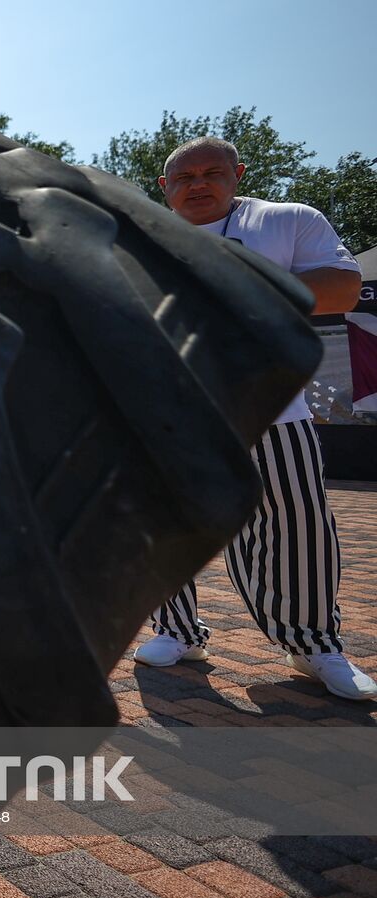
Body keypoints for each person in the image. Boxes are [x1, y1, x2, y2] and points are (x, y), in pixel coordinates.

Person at [134, 136, 373, 701]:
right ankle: (176, 630)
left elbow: (343, 288)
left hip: (270, 405)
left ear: (237, 174)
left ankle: (313, 644)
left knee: (296, 525)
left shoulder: (286, 220)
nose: (198, 184)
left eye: (211, 172)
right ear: (165, 188)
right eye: (183, 177)